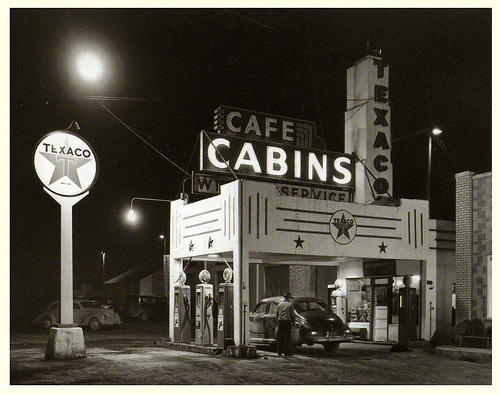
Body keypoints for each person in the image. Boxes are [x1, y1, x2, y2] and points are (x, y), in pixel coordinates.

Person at [276, 292, 294, 356]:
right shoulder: (290, 304)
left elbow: (277, 314)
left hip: (280, 322)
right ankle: (286, 352)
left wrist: (278, 319)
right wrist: (293, 322)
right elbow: (292, 314)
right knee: (287, 338)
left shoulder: (280, 304)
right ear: (289, 298)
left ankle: (279, 352)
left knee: (280, 337)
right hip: (287, 322)